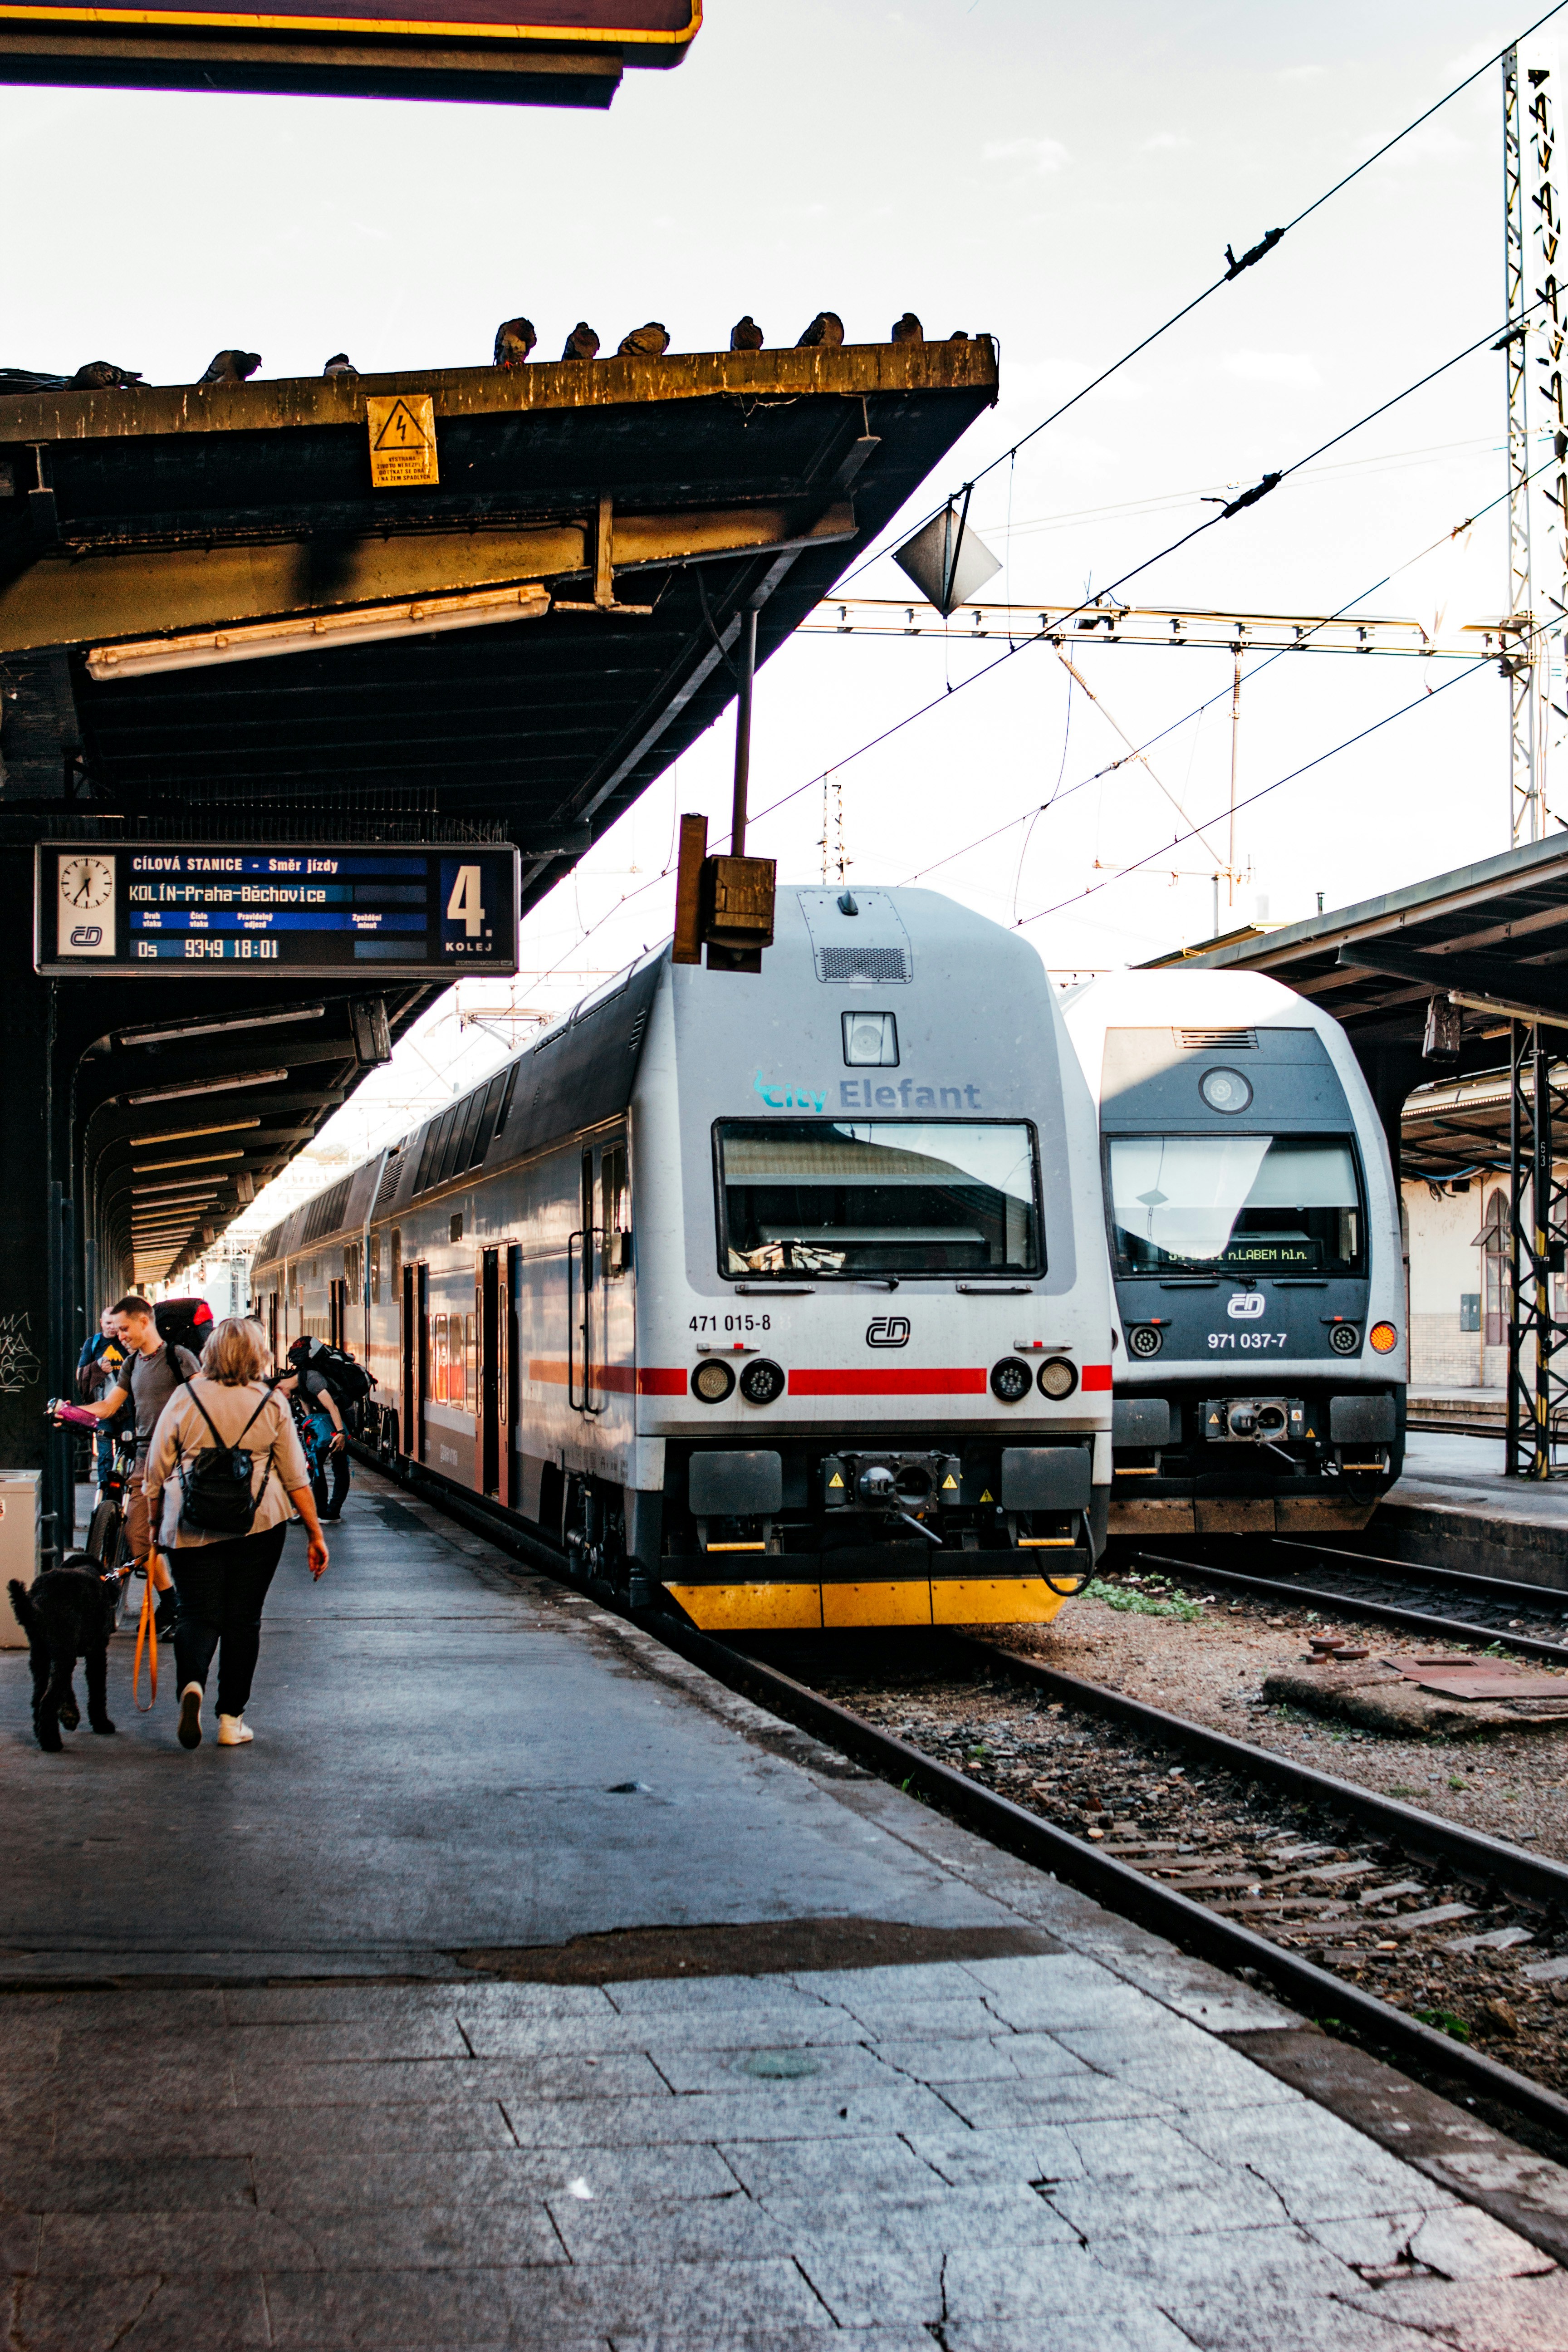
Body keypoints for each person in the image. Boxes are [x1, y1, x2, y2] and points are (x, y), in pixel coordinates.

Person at [142, 1314, 327, 1750]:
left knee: (196, 1614)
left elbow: (155, 1470)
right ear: (258, 1355)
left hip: (190, 1522)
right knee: (243, 1619)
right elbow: (297, 1476)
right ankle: (231, 1719)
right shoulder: (271, 1401)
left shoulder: (185, 1396)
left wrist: (154, 1524)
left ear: (210, 1353)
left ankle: (192, 1686)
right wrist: (316, 1534)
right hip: (259, 1522)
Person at [69, 1296, 200, 1640]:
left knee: (183, 1537)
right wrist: (74, 1413)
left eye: (125, 1328)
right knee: (139, 1536)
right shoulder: (130, 1365)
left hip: (180, 1458)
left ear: (145, 1322)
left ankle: (184, 1608)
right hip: (145, 1459)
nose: (120, 1335)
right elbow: (110, 1406)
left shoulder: (179, 1358)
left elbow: (204, 1402)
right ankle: (171, 1602)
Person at [275, 1338, 351, 1521]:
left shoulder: (311, 1379)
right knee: (317, 1464)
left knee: (338, 1464)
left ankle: (332, 1511)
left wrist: (340, 1434)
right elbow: (309, 1411)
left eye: (281, 1395)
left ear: (280, 1385)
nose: (285, 1398)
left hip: (341, 1417)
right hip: (324, 1421)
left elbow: (332, 1406)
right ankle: (322, 1510)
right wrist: (309, 1428)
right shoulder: (299, 1388)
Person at [75, 1309, 128, 1488]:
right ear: (101, 1323)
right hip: (102, 1405)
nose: (112, 1328)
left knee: (127, 1452)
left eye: (116, 1323)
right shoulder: (94, 1343)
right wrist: (98, 1368)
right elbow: (80, 1374)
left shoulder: (126, 1340)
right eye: (108, 1323)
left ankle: (123, 1491)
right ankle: (105, 1495)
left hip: (126, 1409)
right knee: (105, 1454)